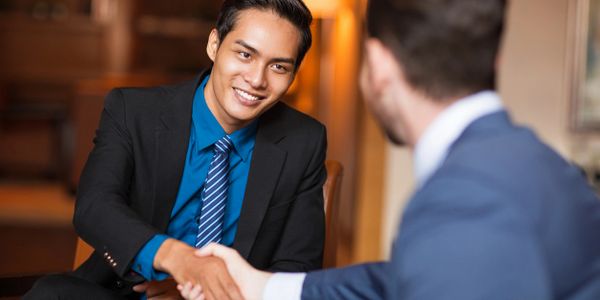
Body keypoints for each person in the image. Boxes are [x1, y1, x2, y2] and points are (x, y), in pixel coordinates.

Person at [181, 0, 600, 299]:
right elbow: (403, 279)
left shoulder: (465, 200)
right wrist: (265, 287)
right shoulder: (542, 165)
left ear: (378, 65)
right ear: (494, 62)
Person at [25, 0, 327, 299]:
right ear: (214, 44)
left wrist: (202, 291)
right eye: (245, 54)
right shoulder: (134, 112)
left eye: (278, 66)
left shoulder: (304, 141)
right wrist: (179, 261)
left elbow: (297, 265)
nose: (257, 79)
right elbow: (95, 206)